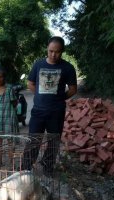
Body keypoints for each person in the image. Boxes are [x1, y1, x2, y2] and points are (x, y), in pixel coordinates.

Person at [24, 36, 77, 174]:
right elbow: (30, 83)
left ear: (62, 51)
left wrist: (60, 98)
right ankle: (25, 169)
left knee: (53, 142)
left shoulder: (68, 68)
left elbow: (72, 89)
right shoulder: (38, 64)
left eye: (57, 52)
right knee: (33, 140)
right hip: (38, 111)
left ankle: (48, 167)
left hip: (56, 112)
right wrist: (39, 96)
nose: (53, 55)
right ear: (47, 49)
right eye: (51, 51)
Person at [0, 65, 19, 135]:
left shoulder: (9, 88)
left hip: (8, 119)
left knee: (10, 141)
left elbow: (14, 103)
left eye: (1, 77)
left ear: (4, 77)